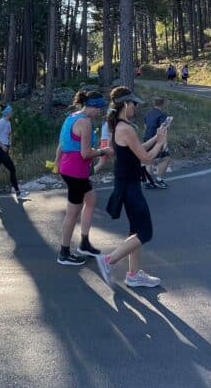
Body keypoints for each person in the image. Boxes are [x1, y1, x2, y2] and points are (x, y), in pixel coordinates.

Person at [94, 87, 169, 290]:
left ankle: (134, 275)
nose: (135, 107)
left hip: (127, 183)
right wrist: (161, 143)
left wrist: (156, 137)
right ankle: (108, 260)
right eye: (134, 104)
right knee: (145, 232)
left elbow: (138, 148)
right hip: (129, 185)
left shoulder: (119, 127)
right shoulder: (126, 128)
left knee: (136, 231)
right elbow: (146, 158)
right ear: (126, 104)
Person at [55, 90, 109, 266]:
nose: (100, 112)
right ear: (93, 106)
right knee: (72, 213)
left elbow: (61, 144)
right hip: (76, 171)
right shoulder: (85, 122)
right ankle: (64, 253)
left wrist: (57, 163)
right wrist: (103, 151)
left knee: (91, 200)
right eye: (99, 109)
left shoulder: (72, 116)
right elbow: (85, 153)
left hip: (69, 167)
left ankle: (84, 243)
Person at [144, 97, 171, 187]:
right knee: (166, 158)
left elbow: (145, 127)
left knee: (149, 160)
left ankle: (149, 181)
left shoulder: (147, 113)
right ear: (163, 104)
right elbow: (163, 129)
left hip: (147, 138)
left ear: (154, 103)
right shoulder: (162, 115)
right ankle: (159, 180)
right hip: (157, 139)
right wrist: (164, 143)